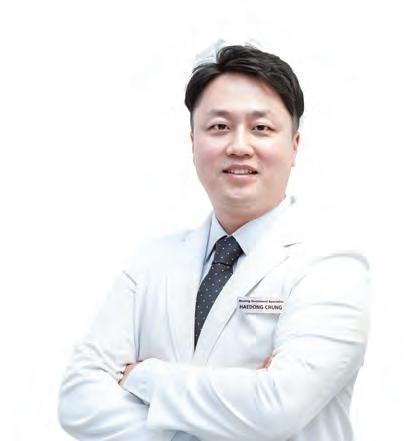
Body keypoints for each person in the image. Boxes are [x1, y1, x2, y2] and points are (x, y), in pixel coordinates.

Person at [58, 44, 370, 441]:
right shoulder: (150, 263)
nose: (239, 146)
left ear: (294, 146)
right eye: (219, 127)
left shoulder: (332, 266)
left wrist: (142, 376)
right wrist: (235, 410)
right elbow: (78, 400)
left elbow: (276, 408)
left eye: (261, 128)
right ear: (193, 144)